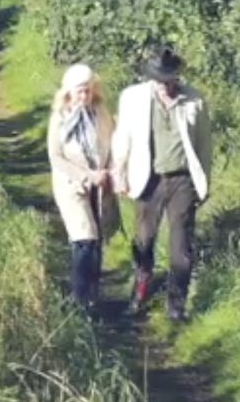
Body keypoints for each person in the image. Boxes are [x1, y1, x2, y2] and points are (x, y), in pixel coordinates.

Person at [110, 48, 215, 321]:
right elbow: (123, 137)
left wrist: (203, 182)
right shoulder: (132, 98)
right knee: (144, 240)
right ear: (151, 79)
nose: (165, 86)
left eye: (169, 80)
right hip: (148, 179)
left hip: (182, 179)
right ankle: (140, 292)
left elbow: (205, 144)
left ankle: (176, 307)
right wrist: (118, 172)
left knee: (181, 246)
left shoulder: (194, 100)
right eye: (160, 80)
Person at [46, 63, 118, 311]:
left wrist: (109, 172)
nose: (84, 96)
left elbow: (112, 142)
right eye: (79, 91)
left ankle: (93, 296)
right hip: (71, 186)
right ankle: (79, 300)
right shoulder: (59, 118)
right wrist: (86, 175)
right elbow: (56, 157)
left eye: (88, 90)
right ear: (68, 92)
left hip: (100, 184)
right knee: (84, 238)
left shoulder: (100, 113)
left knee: (97, 240)